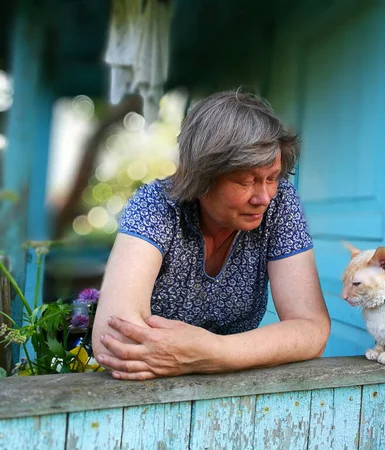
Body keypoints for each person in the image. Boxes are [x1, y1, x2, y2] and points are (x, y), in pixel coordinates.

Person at [91, 91, 331, 380]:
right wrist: (236, 352)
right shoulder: (155, 205)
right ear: (201, 176)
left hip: (228, 388)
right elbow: (116, 340)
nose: (264, 197)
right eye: (245, 181)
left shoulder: (280, 205)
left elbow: (312, 328)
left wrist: (214, 352)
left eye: (272, 178)